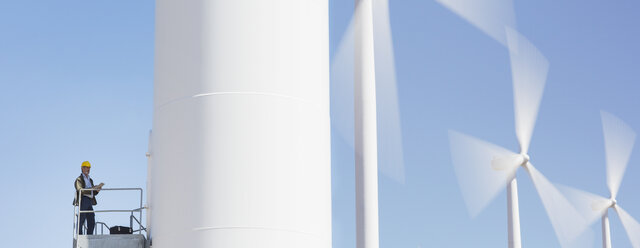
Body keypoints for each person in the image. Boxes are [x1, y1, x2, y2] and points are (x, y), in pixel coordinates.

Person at [73, 161, 104, 235]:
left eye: (89, 168)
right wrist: (92, 188)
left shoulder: (90, 180)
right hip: (83, 200)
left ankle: (89, 235)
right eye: (86, 168)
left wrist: (97, 190)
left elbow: (92, 192)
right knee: (81, 218)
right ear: (82, 168)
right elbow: (80, 190)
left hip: (89, 201)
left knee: (91, 219)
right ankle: (80, 235)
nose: (88, 169)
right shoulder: (79, 179)